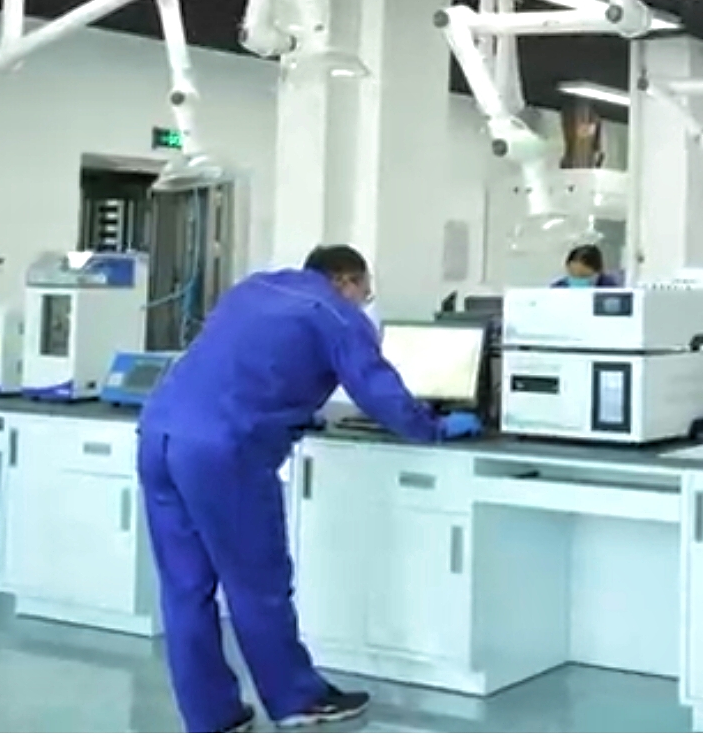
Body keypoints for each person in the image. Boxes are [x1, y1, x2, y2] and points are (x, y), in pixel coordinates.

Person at [137, 245, 484, 733]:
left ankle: (211, 716)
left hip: (158, 433)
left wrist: (296, 412)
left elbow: (244, 366)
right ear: (345, 280)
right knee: (257, 584)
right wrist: (434, 428)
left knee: (184, 588)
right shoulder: (334, 313)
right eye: (365, 293)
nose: (363, 303)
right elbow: (378, 391)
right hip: (223, 450)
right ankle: (296, 699)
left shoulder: (251, 289)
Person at [553, 243, 620, 288]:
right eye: (574, 276)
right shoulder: (558, 288)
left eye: (583, 276)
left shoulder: (608, 287)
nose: (578, 280)